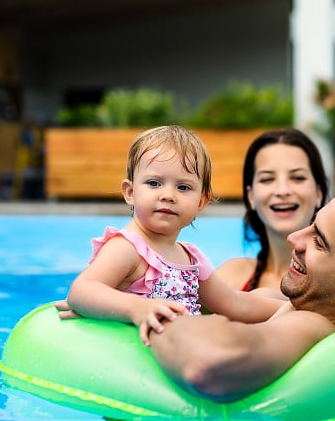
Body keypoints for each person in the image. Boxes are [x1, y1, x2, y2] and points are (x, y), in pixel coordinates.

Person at [141, 177, 335, 402]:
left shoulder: (309, 325)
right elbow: (243, 302)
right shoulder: (298, 306)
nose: (295, 238)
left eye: (319, 241)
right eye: (311, 224)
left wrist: (147, 312)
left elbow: (208, 365)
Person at [55, 125, 280, 330]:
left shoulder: (191, 258)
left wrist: (292, 310)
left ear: (201, 201)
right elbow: (81, 290)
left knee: (269, 295)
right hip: (143, 355)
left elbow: (235, 304)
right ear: (130, 192)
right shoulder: (127, 248)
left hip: (184, 350)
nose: (168, 195)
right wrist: (137, 308)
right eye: (154, 183)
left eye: (183, 187)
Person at [214, 128, 329, 296]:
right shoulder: (229, 278)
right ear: (251, 196)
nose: (282, 191)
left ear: (319, 193)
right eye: (267, 179)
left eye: (298, 178)